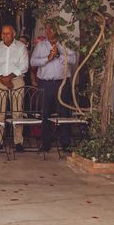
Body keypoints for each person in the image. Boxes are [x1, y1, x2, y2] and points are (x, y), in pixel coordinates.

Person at [30, 22, 78, 152]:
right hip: (45, 83)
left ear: (57, 29)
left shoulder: (65, 43)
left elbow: (74, 60)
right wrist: (47, 58)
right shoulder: (41, 45)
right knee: (45, 113)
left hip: (62, 83)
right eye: (47, 29)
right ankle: (45, 143)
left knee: (64, 113)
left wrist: (59, 56)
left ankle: (65, 143)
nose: (48, 31)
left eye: (51, 29)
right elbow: (33, 62)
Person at [0, 25, 30, 152]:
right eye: (3, 33)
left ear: (14, 34)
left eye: (8, 33)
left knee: (17, 112)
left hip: (16, 80)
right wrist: (2, 79)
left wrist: (10, 77)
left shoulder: (21, 47)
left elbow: (24, 66)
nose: (5, 35)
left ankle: (18, 142)